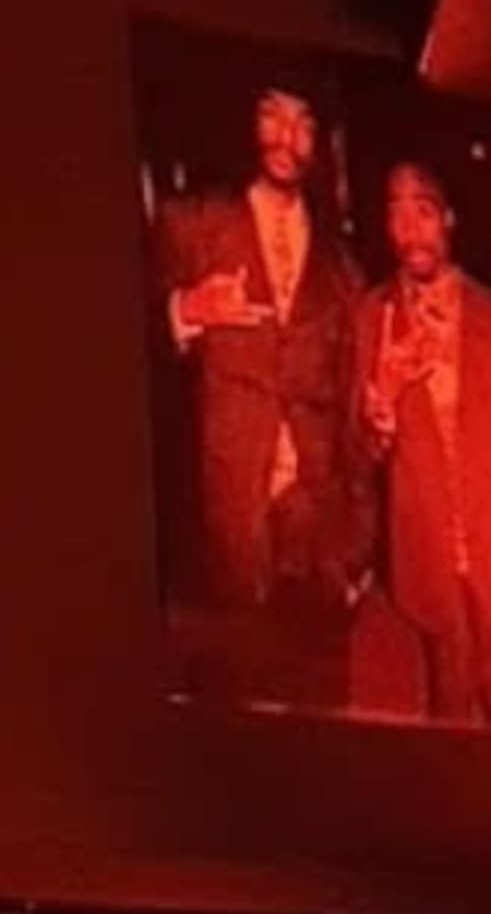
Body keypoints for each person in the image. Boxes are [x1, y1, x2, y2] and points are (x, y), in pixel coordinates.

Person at [351, 154, 491, 731]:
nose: (410, 230)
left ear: (448, 219)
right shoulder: (374, 318)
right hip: (430, 573)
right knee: (452, 733)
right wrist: (385, 395)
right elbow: (360, 455)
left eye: (422, 212)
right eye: (396, 215)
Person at [153, 81, 363, 632]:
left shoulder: (342, 265)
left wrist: (354, 539)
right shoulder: (191, 223)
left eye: (304, 123)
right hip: (223, 502)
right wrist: (187, 308)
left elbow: (352, 401)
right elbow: (125, 355)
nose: (287, 138)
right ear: (249, 122)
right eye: (273, 116)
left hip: (315, 516)